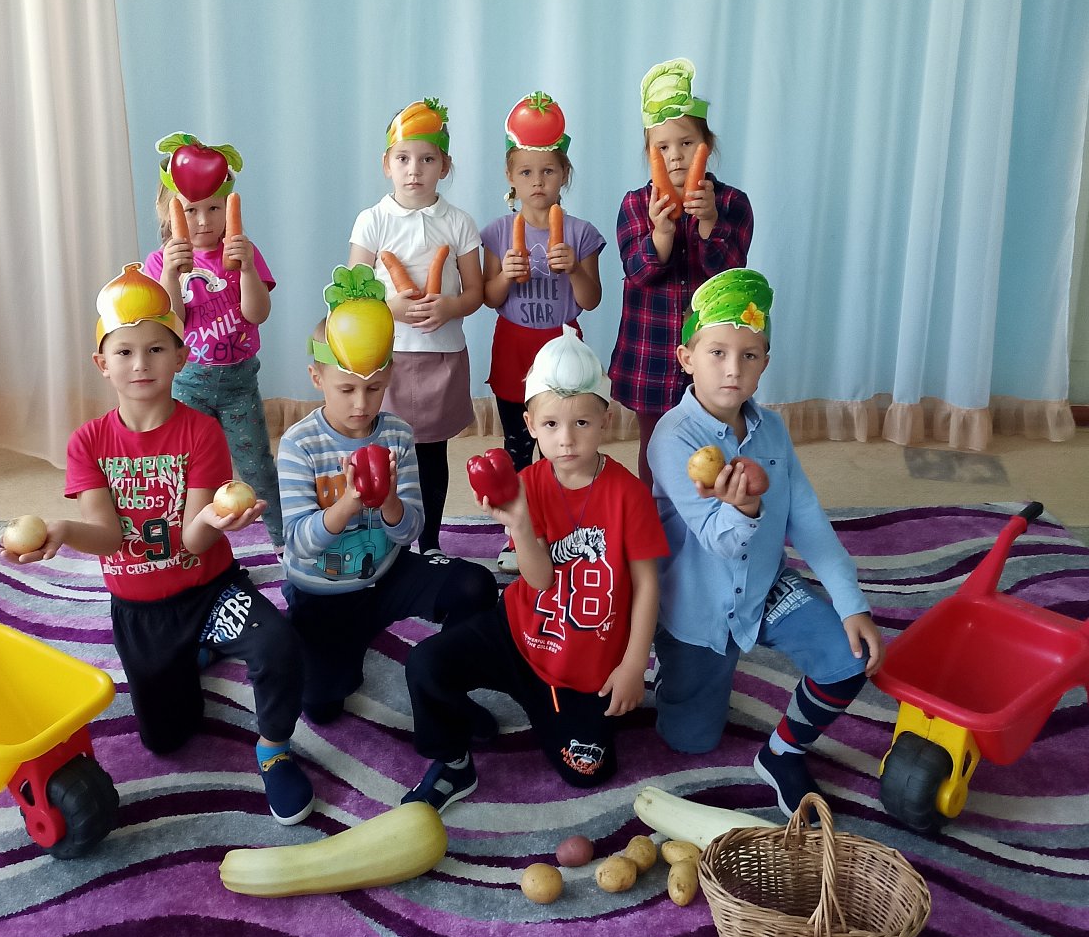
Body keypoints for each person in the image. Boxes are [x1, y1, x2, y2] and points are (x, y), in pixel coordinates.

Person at [6, 263, 312, 825]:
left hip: (210, 592)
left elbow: (193, 540)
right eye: (124, 352)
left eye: (155, 350)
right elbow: (109, 536)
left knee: (279, 647)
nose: (140, 364)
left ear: (180, 357)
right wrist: (63, 530)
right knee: (166, 740)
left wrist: (217, 520)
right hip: (142, 610)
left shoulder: (201, 431)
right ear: (102, 364)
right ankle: (196, 651)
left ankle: (274, 748)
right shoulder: (88, 442)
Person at [648, 268, 883, 817]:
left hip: (764, 587)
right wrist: (745, 508)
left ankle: (781, 753)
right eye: (717, 353)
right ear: (686, 358)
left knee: (848, 659)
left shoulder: (772, 430)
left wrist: (851, 603)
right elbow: (719, 540)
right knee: (689, 740)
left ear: (765, 363)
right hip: (696, 610)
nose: (733, 368)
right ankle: (677, 673)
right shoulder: (672, 437)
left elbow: (809, 521)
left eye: (749, 355)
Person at [400, 329, 667, 813]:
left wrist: (634, 665)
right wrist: (520, 524)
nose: (566, 439)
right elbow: (540, 579)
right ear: (530, 424)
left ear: (606, 419)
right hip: (517, 635)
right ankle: (455, 761)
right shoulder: (526, 482)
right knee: (424, 665)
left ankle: (548, 708)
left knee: (587, 771)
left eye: (581, 422)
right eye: (551, 424)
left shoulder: (629, 495)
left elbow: (648, 583)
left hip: (580, 666)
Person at [278, 269, 498, 727]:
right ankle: (330, 643)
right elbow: (298, 543)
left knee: (475, 585)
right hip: (322, 591)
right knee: (321, 707)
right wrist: (348, 504)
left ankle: (441, 673)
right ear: (317, 377)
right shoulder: (300, 444)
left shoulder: (397, 433)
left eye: (374, 388)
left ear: (390, 376)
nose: (361, 404)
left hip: (385, 575)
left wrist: (391, 502)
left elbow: (411, 530)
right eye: (347, 389)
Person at [609, 58, 753, 487]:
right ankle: (655, 515)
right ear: (650, 154)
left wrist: (708, 223)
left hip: (713, 354)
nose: (675, 155)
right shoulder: (635, 205)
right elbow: (637, 272)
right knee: (655, 447)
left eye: (687, 142)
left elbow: (729, 277)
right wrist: (661, 233)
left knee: (713, 443)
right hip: (651, 352)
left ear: (707, 145)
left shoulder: (732, 204)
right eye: (663, 148)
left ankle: (709, 513)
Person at [349, 98, 484, 558]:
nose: (414, 170)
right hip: (385, 357)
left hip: (441, 357)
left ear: (444, 166)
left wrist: (450, 307)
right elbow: (352, 293)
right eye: (404, 158)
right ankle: (387, 541)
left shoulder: (459, 223)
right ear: (386, 164)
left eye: (427, 159)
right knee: (384, 453)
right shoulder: (372, 221)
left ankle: (429, 544)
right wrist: (389, 306)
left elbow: (475, 293)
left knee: (431, 454)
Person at [144, 131, 283, 548]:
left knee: (257, 466)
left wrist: (247, 270)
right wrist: (171, 275)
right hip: (187, 384)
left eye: (214, 209)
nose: (204, 221)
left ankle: (282, 540)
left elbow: (257, 314)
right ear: (170, 213)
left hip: (240, 382)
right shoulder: (159, 262)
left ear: (228, 208)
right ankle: (194, 542)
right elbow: (170, 325)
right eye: (191, 210)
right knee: (194, 469)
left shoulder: (243, 253)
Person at [482, 91, 605, 475]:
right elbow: (489, 297)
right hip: (513, 344)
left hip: (563, 344)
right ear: (510, 177)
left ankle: (561, 504)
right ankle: (522, 511)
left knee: (564, 443)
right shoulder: (497, 232)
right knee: (518, 445)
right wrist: (505, 275)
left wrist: (574, 269)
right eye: (526, 172)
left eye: (548, 171)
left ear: (564, 174)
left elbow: (592, 299)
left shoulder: (581, 233)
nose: (537, 181)